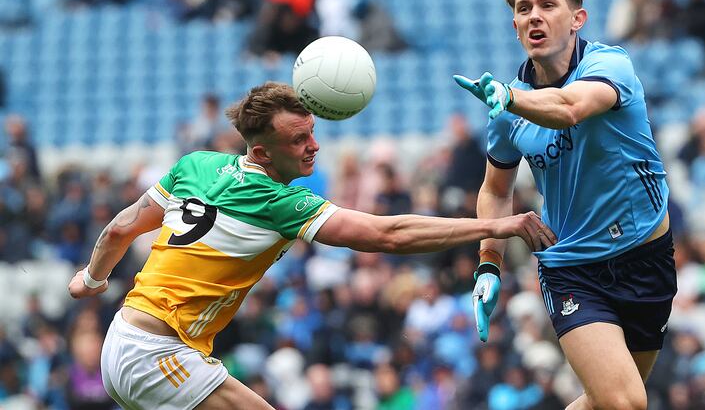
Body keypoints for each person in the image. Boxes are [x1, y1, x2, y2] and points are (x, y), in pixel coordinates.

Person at [67, 82, 548, 410]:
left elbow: (120, 229)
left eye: (313, 132)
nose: (314, 146)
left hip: (122, 340)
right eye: (299, 140)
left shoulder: (195, 165)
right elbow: (389, 235)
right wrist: (497, 226)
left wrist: (90, 279)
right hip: (156, 354)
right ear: (260, 153)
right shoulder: (280, 203)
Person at [454, 0, 675, 410]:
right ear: (515, 25)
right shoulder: (505, 109)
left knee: (606, 401)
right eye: (523, 9)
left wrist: (510, 99)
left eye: (548, 5)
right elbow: (496, 189)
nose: (535, 16)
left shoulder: (609, 66)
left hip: (647, 259)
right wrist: (489, 262)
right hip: (572, 267)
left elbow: (569, 107)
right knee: (626, 403)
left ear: (578, 18)